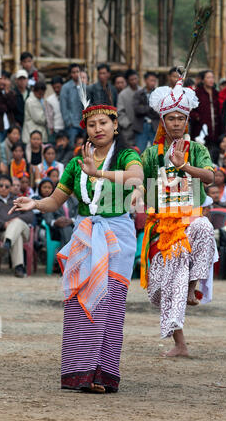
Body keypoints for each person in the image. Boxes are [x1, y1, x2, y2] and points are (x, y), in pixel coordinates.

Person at [9, 102, 144, 393]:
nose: (98, 129)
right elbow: (56, 201)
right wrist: (34, 202)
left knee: (110, 303)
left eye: (103, 123)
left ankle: (102, 374)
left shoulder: (126, 154)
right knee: (81, 301)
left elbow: (137, 178)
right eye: (92, 125)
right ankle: (79, 372)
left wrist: (99, 173)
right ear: (86, 129)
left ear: (114, 126)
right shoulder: (75, 162)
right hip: (85, 234)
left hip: (117, 235)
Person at [138, 77, 217, 357]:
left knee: (206, 226)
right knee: (170, 281)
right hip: (163, 227)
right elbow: (145, 193)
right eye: (170, 118)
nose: (175, 123)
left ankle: (193, 287)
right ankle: (180, 342)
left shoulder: (196, 150)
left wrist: (185, 166)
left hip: (191, 223)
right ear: (162, 121)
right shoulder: (150, 155)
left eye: (180, 119)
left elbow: (210, 176)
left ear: (186, 122)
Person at [0, 174, 34, 277]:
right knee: (16, 236)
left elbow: (30, 215)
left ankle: (8, 242)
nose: (3, 188)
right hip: (2, 232)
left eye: (6, 186)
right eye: (1, 185)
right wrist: (4, 224)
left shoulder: (17, 200)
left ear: (10, 188)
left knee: (17, 223)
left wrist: (15, 220)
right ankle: (19, 268)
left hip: (24, 231)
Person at [189, 70, 221, 148]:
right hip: (200, 130)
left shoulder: (216, 93)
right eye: (208, 77)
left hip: (215, 130)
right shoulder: (197, 93)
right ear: (203, 80)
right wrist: (198, 117)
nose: (211, 80)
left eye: (212, 77)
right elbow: (190, 110)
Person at [133, 71, 159, 153]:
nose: (153, 83)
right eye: (151, 80)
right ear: (145, 80)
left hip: (154, 125)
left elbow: (158, 111)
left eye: (154, 81)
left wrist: (144, 108)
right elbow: (137, 110)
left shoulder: (158, 94)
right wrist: (151, 108)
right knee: (139, 150)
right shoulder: (138, 93)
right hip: (141, 125)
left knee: (156, 150)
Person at [60, 63, 84, 146]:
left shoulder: (84, 87)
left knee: (85, 146)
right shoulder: (65, 87)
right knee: (71, 146)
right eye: (73, 72)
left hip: (83, 124)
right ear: (70, 74)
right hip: (72, 124)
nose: (76, 74)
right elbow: (63, 106)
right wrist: (68, 122)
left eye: (78, 71)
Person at [117, 69, 141, 147]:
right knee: (129, 149)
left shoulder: (142, 91)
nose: (134, 81)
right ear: (127, 81)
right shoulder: (122, 94)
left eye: (135, 79)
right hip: (128, 129)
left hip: (142, 128)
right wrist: (127, 124)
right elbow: (120, 112)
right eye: (131, 79)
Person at [45, 76, 65, 143]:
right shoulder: (49, 100)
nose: (56, 89)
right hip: (55, 129)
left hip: (66, 127)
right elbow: (49, 116)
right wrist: (51, 128)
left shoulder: (67, 97)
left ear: (62, 85)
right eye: (54, 88)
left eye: (58, 87)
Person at [0, 70, 17, 143]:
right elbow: (1, 108)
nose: (3, 81)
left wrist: (7, 93)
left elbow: (13, 106)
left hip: (9, 127)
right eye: (1, 79)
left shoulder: (11, 93)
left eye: (5, 79)